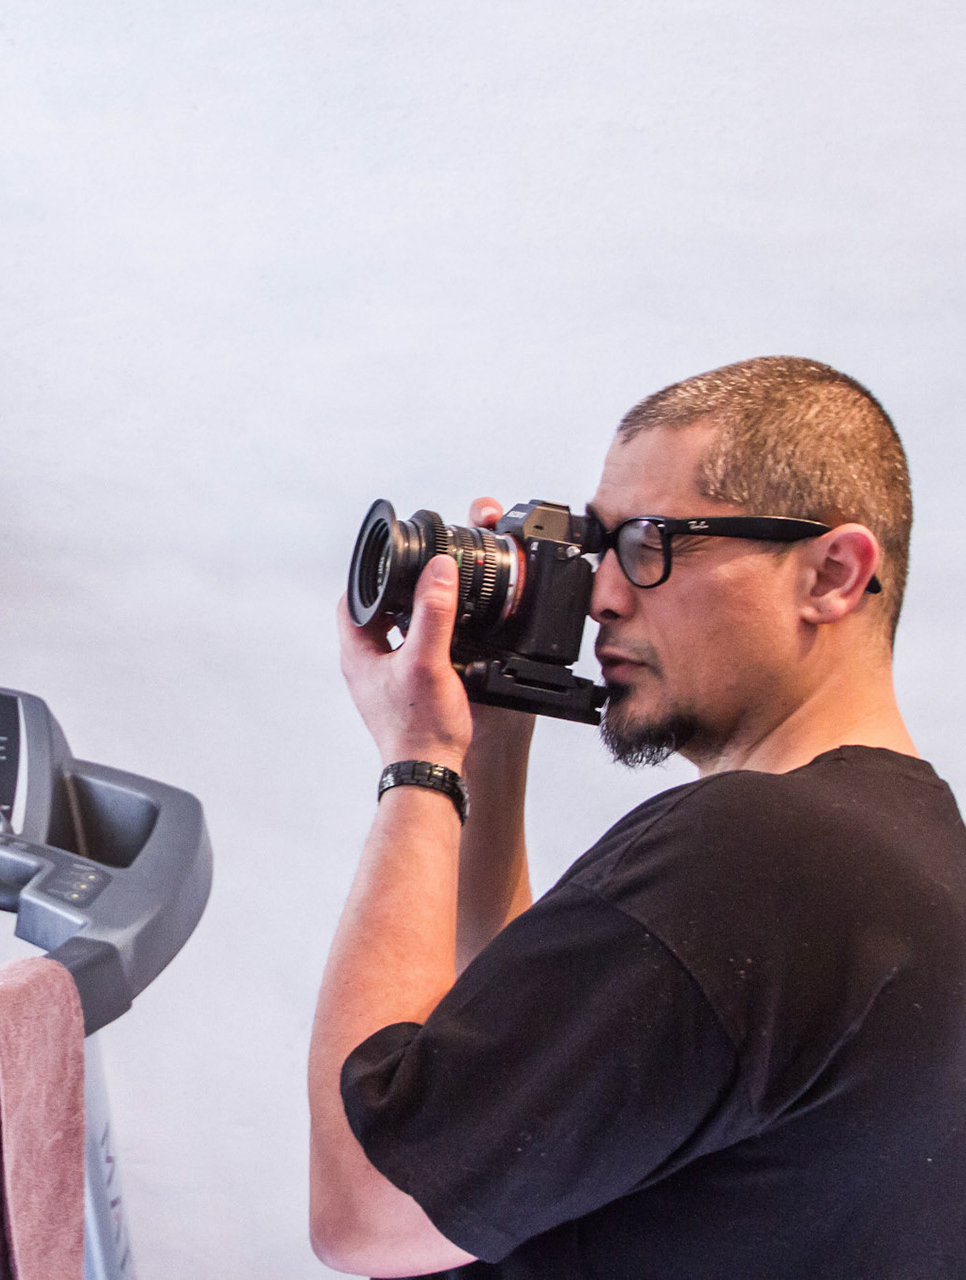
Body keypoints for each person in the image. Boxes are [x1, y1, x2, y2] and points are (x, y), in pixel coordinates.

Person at [308, 356, 966, 1278]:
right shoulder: (913, 857)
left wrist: (418, 765)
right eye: (599, 545)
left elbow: (368, 1206)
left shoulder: (754, 851)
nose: (603, 595)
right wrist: (488, 736)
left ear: (831, 573)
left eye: (652, 543)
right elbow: (498, 1084)